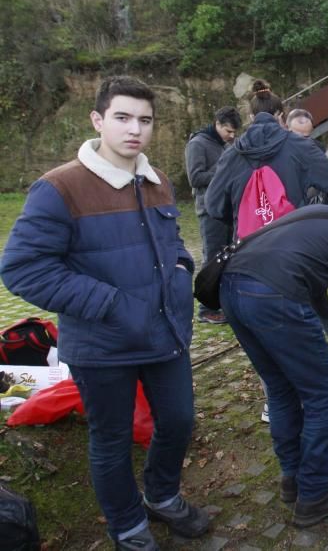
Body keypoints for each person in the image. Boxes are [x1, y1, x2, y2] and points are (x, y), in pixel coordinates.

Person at [0, 76, 209, 550]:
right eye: (122, 117)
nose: (134, 129)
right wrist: (111, 304)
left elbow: (173, 243)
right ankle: (128, 526)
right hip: (102, 346)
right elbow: (22, 269)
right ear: (98, 120)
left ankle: (162, 496)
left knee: (177, 422)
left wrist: (180, 271)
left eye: (145, 120)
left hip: (165, 334)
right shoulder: (60, 188)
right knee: (112, 441)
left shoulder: (158, 182)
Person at [218, 199, 328, 528]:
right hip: (273, 294)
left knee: (281, 387)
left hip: (231, 288)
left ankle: (293, 479)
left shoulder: (317, 221)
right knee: (324, 393)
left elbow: (315, 291)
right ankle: (314, 494)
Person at [205, 79, 328, 234]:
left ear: (252, 117)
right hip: (293, 241)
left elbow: (213, 205)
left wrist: (238, 219)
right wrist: (312, 216)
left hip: (249, 247)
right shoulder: (301, 147)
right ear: (280, 116)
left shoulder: (232, 154)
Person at [185, 106, 242, 324]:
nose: (231, 136)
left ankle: (224, 304)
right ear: (217, 123)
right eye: (228, 131)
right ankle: (206, 309)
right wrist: (224, 170)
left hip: (227, 208)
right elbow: (195, 178)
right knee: (212, 259)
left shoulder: (225, 144)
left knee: (228, 257)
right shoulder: (197, 144)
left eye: (234, 132)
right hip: (209, 211)